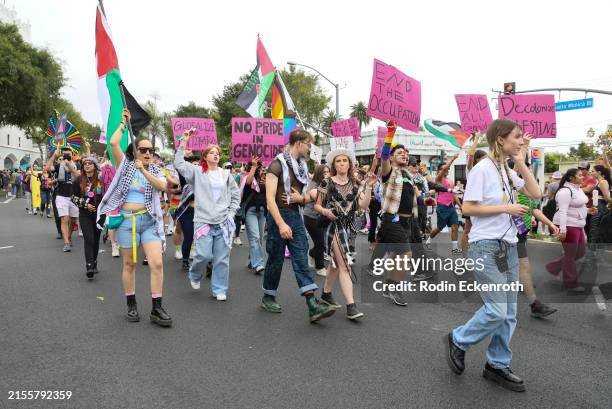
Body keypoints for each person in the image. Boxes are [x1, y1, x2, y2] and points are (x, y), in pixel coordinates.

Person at [446, 118, 540, 392]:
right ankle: (458, 339)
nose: (522, 140)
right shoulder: (483, 169)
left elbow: (534, 193)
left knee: (509, 313)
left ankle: (497, 364)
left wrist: (521, 162)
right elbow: (468, 209)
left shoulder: (505, 169)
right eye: (517, 137)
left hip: (508, 246)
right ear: (500, 139)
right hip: (485, 247)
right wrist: (505, 209)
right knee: (497, 310)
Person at [97, 108, 171, 327]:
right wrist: (122, 124)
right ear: (136, 150)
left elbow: (161, 186)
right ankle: (131, 304)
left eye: (151, 150)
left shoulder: (156, 170)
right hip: (127, 221)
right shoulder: (125, 166)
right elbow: (113, 144)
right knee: (129, 264)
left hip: (149, 221)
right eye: (143, 149)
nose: (148, 153)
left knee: (156, 263)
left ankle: (157, 308)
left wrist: (146, 170)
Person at [260, 129, 336, 322]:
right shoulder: (277, 164)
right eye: (309, 143)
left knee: (301, 257)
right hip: (279, 217)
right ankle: (268, 296)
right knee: (275, 259)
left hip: (296, 216)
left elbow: (306, 196)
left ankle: (312, 304)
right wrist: (281, 224)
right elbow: (270, 199)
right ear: (299, 143)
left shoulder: (302, 166)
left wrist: (301, 198)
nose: (310, 148)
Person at [174, 133, 240, 301]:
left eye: (217, 152)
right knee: (203, 255)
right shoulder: (197, 172)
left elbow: (235, 195)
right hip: (203, 221)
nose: (216, 154)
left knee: (222, 259)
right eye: (212, 152)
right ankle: (195, 275)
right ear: (205, 156)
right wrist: (183, 143)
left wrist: (231, 214)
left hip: (223, 222)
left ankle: (219, 289)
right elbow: (179, 164)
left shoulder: (226, 175)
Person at [315, 148, 375, 320]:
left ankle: (326, 294)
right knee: (344, 265)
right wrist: (326, 212)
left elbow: (363, 205)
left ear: (350, 164)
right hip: (332, 226)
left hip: (348, 226)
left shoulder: (356, 183)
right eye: (338, 161)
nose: (342, 163)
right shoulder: (327, 182)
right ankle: (351, 305)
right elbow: (317, 205)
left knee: (335, 262)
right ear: (334, 164)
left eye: (345, 160)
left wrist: (369, 187)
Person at [367, 121, 423, 306]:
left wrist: (426, 200)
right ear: (391, 157)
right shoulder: (389, 172)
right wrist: (391, 133)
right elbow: (383, 156)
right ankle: (394, 288)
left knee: (396, 255)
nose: (404, 155)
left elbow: (414, 197)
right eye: (400, 153)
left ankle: (388, 286)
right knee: (406, 254)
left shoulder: (408, 175)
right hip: (393, 220)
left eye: (406, 153)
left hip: (408, 222)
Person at [545, 168, 591, 292]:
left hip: (578, 224)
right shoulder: (565, 191)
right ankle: (570, 283)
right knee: (570, 254)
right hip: (568, 225)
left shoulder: (578, 188)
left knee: (580, 252)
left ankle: (553, 267)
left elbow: (578, 206)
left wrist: (588, 210)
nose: (583, 177)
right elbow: (563, 211)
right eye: (580, 175)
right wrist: (563, 231)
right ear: (571, 178)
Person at [71, 156, 104, 279]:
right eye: (85, 164)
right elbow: (73, 197)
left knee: (95, 239)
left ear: (95, 166)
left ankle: (94, 261)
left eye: (90, 163)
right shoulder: (79, 180)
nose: (87, 165)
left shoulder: (101, 180)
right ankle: (89, 265)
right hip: (85, 214)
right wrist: (85, 204)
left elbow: (107, 194)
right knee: (88, 238)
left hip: (99, 214)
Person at [425, 153, 462, 254]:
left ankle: (454, 249)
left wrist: (460, 206)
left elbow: (453, 194)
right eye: (443, 169)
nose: (446, 170)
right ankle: (428, 241)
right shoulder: (438, 179)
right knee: (440, 227)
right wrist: (453, 159)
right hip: (442, 206)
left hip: (451, 207)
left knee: (455, 226)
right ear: (439, 170)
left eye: (446, 169)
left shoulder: (450, 180)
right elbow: (445, 168)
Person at [46, 147, 81, 252]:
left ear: (72, 154)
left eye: (68, 153)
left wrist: (68, 164)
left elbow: (78, 175)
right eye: (64, 153)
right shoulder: (58, 165)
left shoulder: (77, 165)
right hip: (61, 196)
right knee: (64, 218)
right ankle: (66, 242)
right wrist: (54, 156)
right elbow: (48, 168)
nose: (66, 155)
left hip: (74, 197)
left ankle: (69, 237)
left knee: (73, 220)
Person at [241, 157, 268, 275]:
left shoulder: (264, 179)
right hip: (250, 211)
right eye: (258, 166)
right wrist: (253, 167)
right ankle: (258, 264)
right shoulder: (245, 176)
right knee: (255, 237)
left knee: (260, 238)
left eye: (261, 166)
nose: (260, 169)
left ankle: (252, 260)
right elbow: (248, 182)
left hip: (262, 211)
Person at [304, 164, 330, 277]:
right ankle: (320, 267)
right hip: (311, 217)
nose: (327, 174)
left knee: (322, 242)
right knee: (320, 243)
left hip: (323, 217)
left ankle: (311, 253)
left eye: (328, 172)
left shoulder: (328, 184)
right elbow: (318, 196)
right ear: (319, 173)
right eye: (324, 172)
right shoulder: (314, 185)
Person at [100, 150, 120, 257]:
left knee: (121, 221)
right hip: (110, 198)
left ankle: (118, 241)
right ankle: (114, 245)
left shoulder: (123, 164)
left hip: (124, 198)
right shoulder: (104, 166)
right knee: (112, 221)